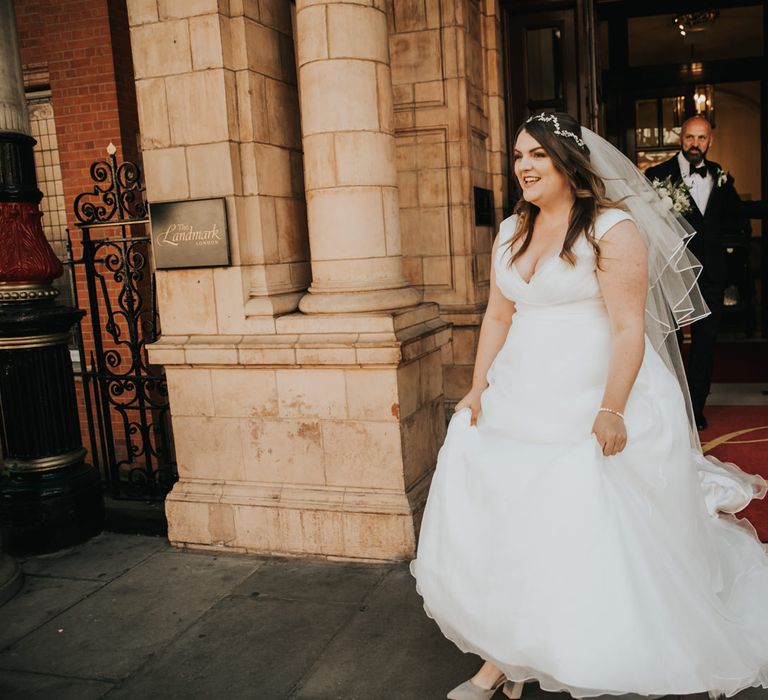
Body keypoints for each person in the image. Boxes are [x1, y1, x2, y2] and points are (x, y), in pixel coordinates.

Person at [411, 112, 768, 700]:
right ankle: (508, 654)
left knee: (563, 521)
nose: (522, 165)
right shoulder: (509, 231)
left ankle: (504, 665)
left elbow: (629, 329)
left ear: (567, 162)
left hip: (591, 390)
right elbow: (499, 314)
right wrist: (478, 387)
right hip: (519, 391)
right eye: (517, 155)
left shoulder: (611, 228)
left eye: (536, 155)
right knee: (509, 525)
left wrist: (612, 408)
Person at [645, 115, 748, 429]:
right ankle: (673, 404)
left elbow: (735, 217)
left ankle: (697, 405)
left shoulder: (720, 176)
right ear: (681, 137)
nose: (695, 144)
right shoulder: (656, 175)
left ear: (709, 141)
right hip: (674, 269)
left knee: (706, 341)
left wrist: (729, 250)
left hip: (712, 273)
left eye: (701, 138)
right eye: (690, 137)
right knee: (671, 339)